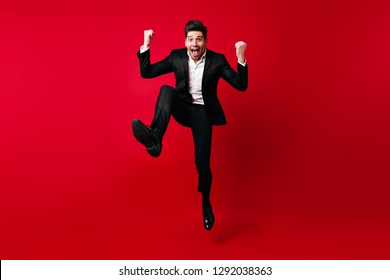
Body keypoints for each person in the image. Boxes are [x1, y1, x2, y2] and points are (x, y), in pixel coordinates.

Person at [132, 19, 248, 230]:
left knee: (202, 165)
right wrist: (146, 44)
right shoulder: (176, 56)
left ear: (205, 42)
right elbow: (146, 72)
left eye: (199, 39)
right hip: (183, 108)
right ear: (185, 42)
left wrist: (240, 58)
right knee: (167, 90)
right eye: (191, 39)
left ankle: (205, 202)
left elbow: (240, 86)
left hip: (203, 114)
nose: (195, 43)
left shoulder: (217, 60)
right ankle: (156, 137)